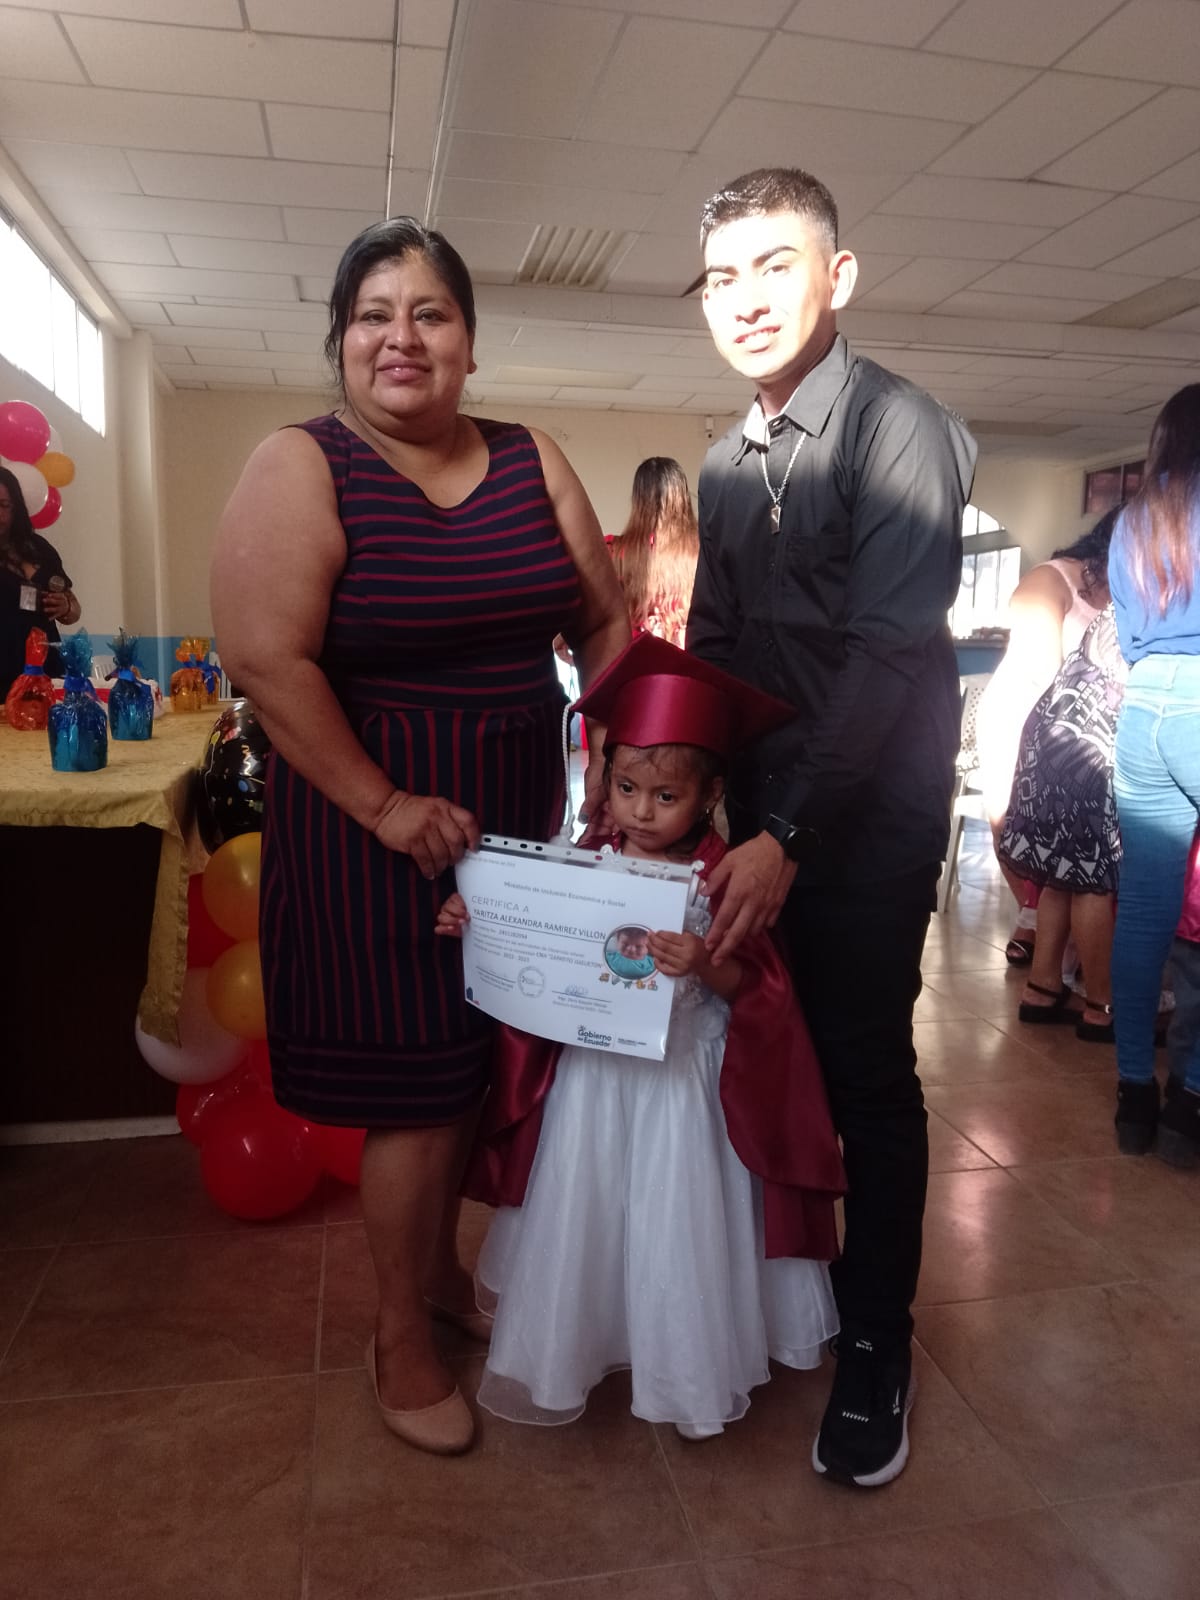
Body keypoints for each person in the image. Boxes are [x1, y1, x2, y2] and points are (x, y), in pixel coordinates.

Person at [210, 217, 628, 1457]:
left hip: (512, 828)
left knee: (481, 1068)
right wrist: (388, 806)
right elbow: (264, 659)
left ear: (470, 343)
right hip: (366, 826)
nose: (402, 337)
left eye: (430, 313)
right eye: (374, 315)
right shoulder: (304, 464)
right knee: (419, 1091)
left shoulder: (531, 457)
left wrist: (617, 758)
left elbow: (604, 621)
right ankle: (399, 1336)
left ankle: (442, 1277)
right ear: (341, 341)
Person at [685, 167, 976, 1488]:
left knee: (865, 1076)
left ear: (838, 277)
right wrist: (677, 782)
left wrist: (787, 833)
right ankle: (794, 1295)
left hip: (861, 834)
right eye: (722, 278)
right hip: (764, 828)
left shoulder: (896, 429)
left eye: (774, 267)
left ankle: (876, 1344)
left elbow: (887, 656)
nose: (745, 300)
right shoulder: (725, 459)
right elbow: (717, 643)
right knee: (768, 1054)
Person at [438, 635, 844, 1440]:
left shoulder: (721, 878)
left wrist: (706, 962)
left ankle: (684, 1368)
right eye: (626, 788)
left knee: (677, 1224)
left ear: (710, 795)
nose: (640, 811)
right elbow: (536, 933)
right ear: (605, 776)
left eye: (665, 796)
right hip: (593, 1083)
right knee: (588, 1214)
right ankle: (590, 1341)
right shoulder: (584, 857)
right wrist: (474, 919)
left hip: (681, 1092)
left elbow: (757, 990)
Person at [1108, 384, 1200, 1160]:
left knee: (1143, 915)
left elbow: (1125, 630)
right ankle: (1191, 1102)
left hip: (1143, 708)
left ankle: (1134, 1095)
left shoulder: (1135, 519)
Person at [975, 518, 1113, 966]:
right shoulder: (1051, 581)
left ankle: (1053, 948)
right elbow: (1043, 674)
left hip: (1088, 731)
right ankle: (1037, 928)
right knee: (1024, 836)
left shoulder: (1132, 596)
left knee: (1074, 852)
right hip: (1025, 721)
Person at [996, 599, 1127, 1042]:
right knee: (1092, 877)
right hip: (1092, 738)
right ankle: (1101, 1006)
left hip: (1055, 729)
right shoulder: (1167, 595)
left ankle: (1043, 987)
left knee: (1062, 871)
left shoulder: (1123, 596)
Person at [0, 465, 81, 688]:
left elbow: (74, 610)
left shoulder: (39, 548)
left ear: (16, 508)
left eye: (3, 505)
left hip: (45, 670)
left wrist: (66, 607)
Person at [608, 456, 700, 647]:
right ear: (683, 497)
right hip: (692, 658)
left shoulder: (615, 554)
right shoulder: (703, 552)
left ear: (638, 499)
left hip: (637, 659)